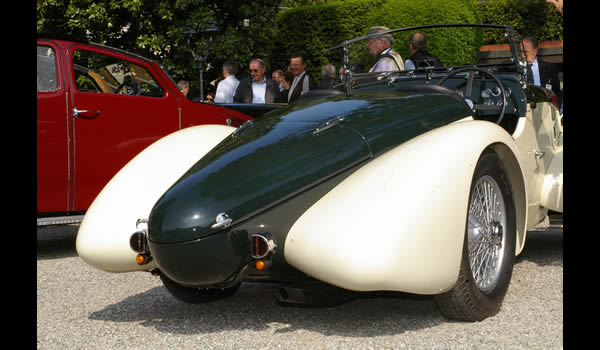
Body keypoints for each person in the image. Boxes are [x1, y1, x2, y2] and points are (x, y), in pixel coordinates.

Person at [522, 36, 562, 106]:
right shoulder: (515, 68)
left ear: (535, 51)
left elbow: (557, 93)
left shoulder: (549, 68)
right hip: (522, 107)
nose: (522, 55)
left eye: (525, 52)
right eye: (520, 51)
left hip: (544, 108)